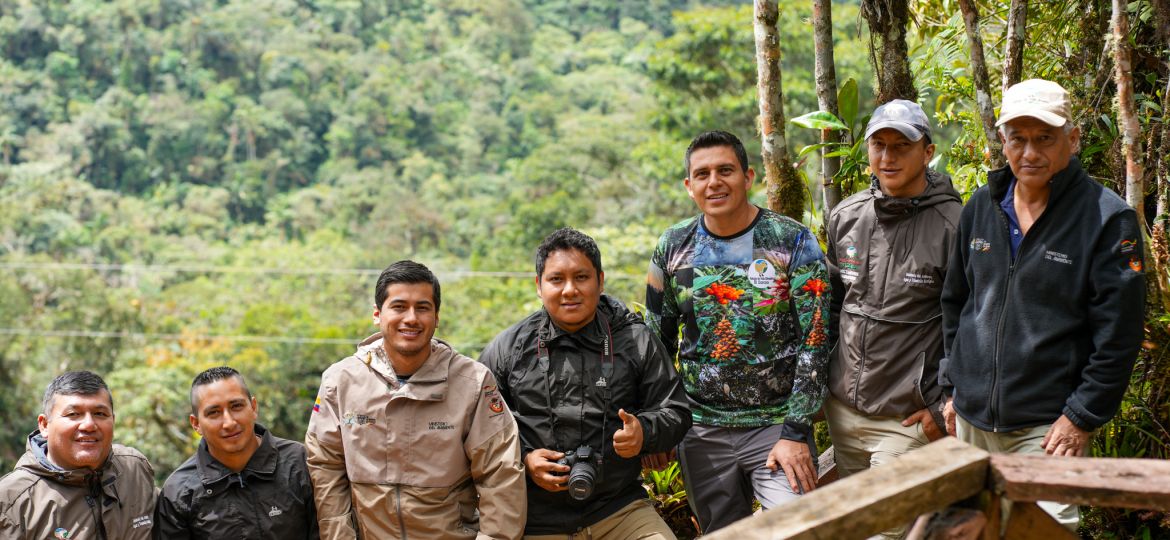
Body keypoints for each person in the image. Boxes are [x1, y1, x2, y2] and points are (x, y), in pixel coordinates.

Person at [940, 79, 1145, 530]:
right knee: (973, 531)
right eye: (1018, 138)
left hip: (1046, 427)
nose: (1029, 153)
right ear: (1003, 141)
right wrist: (953, 385)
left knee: (1044, 533)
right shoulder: (982, 205)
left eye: (1044, 138)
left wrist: (1081, 416)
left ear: (1071, 139)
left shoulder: (1107, 219)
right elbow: (957, 301)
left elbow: (1120, 335)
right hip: (972, 421)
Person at [645, 130, 831, 532]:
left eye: (725, 170)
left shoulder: (790, 240)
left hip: (777, 427)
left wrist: (797, 430)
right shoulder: (674, 246)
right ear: (689, 186)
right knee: (722, 532)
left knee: (799, 529)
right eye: (703, 174)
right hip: (701, 430)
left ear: (748, 177)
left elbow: (815, 340)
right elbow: (655, 344)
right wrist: (660, 425)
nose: (715, 182)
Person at [480, 228, 690, 539]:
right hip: (535, 519)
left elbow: (676, 410)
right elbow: (480, 430)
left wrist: (644, 432)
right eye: (556, 280)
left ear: (600, 281)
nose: (569, 290)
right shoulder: (507, 349)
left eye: (581, 278)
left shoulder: (634, 339)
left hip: (620, 509)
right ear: (539, 286)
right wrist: (525, 458)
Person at [306, 260, 526, 539]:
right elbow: (325, 468)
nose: (411, 318)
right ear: (377, 314)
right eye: (399, 307)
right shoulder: (340, 381)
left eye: (422, 308)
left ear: (436, 316)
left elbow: (501, 476)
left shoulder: (473, 382)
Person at [825, 100, 961, 538]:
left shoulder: (954, 226)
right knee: (853, 526)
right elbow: (831, 309)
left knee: (886, 533)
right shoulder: (846, 217)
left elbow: (970, 323)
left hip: (906, 418)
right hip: (843, 412)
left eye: (902, 145)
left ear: (928, 151)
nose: (888, 157)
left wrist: (942, 406)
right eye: (879, 145)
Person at [155, 367, 319, 539]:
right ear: (196, 424)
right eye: (214, 413)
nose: (229, 422)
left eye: (236, 406)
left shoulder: (299, 462)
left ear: (254, 407)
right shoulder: (179, 492)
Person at [0, 370, 156, 539]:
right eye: (73, 414)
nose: (89, 425)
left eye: (100, 414)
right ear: (44, 425)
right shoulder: (12, 501)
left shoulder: (134, 468)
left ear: (113, 420)